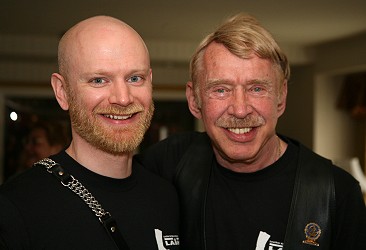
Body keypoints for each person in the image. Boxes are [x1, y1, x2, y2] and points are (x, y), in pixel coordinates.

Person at [135, 13, 366, 250]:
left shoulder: (335, 194)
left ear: (281, 97)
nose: (240, 109)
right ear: (194, 100)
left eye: (256, 88)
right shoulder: (169, 162)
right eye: (221, 90)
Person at [0, 16, 180, 249]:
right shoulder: (15, 208)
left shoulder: (167, 197)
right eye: (99, 80)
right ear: (62, 92)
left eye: (135, 78)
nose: (123, 98)